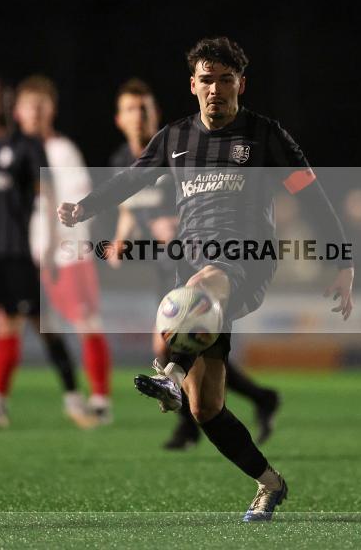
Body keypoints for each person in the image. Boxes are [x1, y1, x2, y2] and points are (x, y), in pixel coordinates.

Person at [59, 37, 354, 521]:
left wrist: (343, 262)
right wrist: (84, 208)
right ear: (193, 85)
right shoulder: (174, 138)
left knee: (206, 284)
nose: (215, 89)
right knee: (207, 408)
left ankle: (169, 373)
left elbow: (313, 197)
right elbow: (131, 180)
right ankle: (269, 482)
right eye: (207, 80)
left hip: (247, 262)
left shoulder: (266, 136)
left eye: (225, 79)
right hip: (192, 269)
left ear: (241, 83)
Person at [109, 77, 280, 450]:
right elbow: (129, 206)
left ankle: (188, 424)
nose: (139, 117)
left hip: (197, 259)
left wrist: (176, 224)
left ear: (154, 113)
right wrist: (122, 239)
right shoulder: (122, 161)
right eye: (130, 110)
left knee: (175, 342)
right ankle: (256, 398)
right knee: (190, 344)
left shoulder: (177, 150)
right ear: (119, 119)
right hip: (163, 263)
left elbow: (204, 198)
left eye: (145, 109)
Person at [0, 76, 91, 430]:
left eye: (4, 96)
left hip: (16, 253)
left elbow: (46, 196)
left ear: (11, 105)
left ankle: (73, 396)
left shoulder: (29, 147)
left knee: (43, 327)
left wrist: (47, 247)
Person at [16, 74, 114, 425]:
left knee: (86, 322)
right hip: (29, 255)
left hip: (65, 255)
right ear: (17, 112)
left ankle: (100, 400)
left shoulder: (62, 151)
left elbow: (75, 205)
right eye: (28, 107)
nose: (34, 114)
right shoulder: (16, 152)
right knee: (11, 322)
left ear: (51, 110)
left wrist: (60, 247)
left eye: (40, 107)